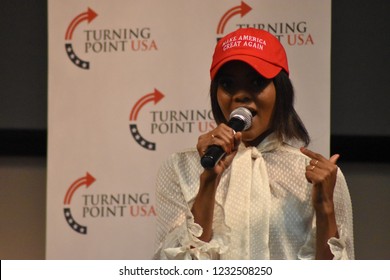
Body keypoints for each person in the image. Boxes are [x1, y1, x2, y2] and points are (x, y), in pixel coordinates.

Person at [153, 28, 354, 260]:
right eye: (228, 84)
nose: (240, 96)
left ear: (281, 91)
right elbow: (174, 268)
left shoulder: (319, 175)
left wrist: (325, 207)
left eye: (257, 82)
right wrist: (208, 182)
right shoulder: (180, 167)